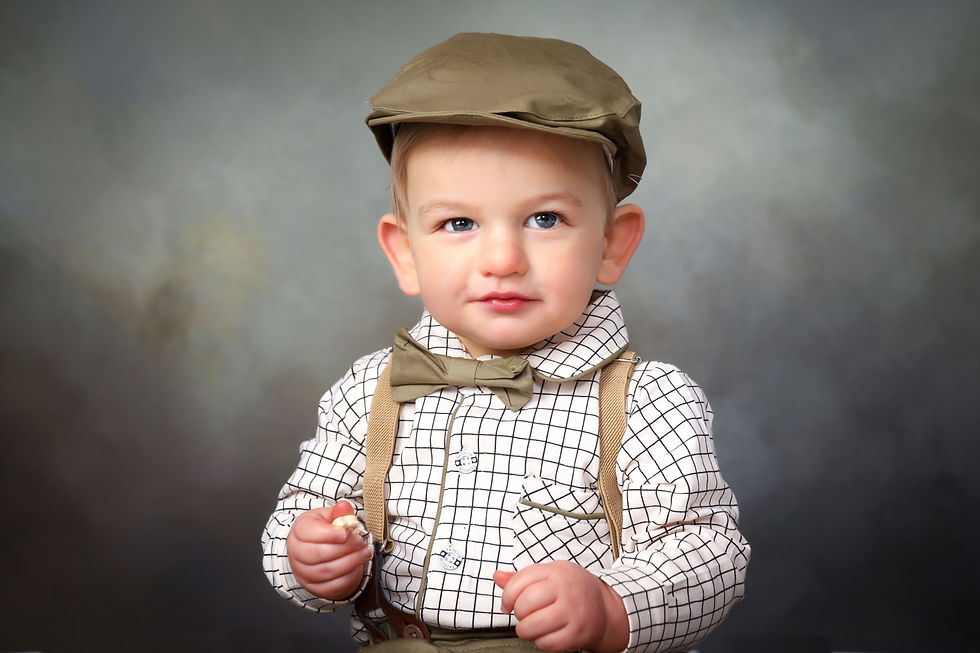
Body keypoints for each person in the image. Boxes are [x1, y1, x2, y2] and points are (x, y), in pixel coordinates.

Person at [262, 32, 749, 653]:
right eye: (458, 223)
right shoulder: (371, 390)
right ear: (405, 252)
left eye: (545, 219)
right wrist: (310, 557)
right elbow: (301, 514)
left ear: (611, 243)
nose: (502, 259)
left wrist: (612, 607)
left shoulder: (648, 402)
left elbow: (707, 556)